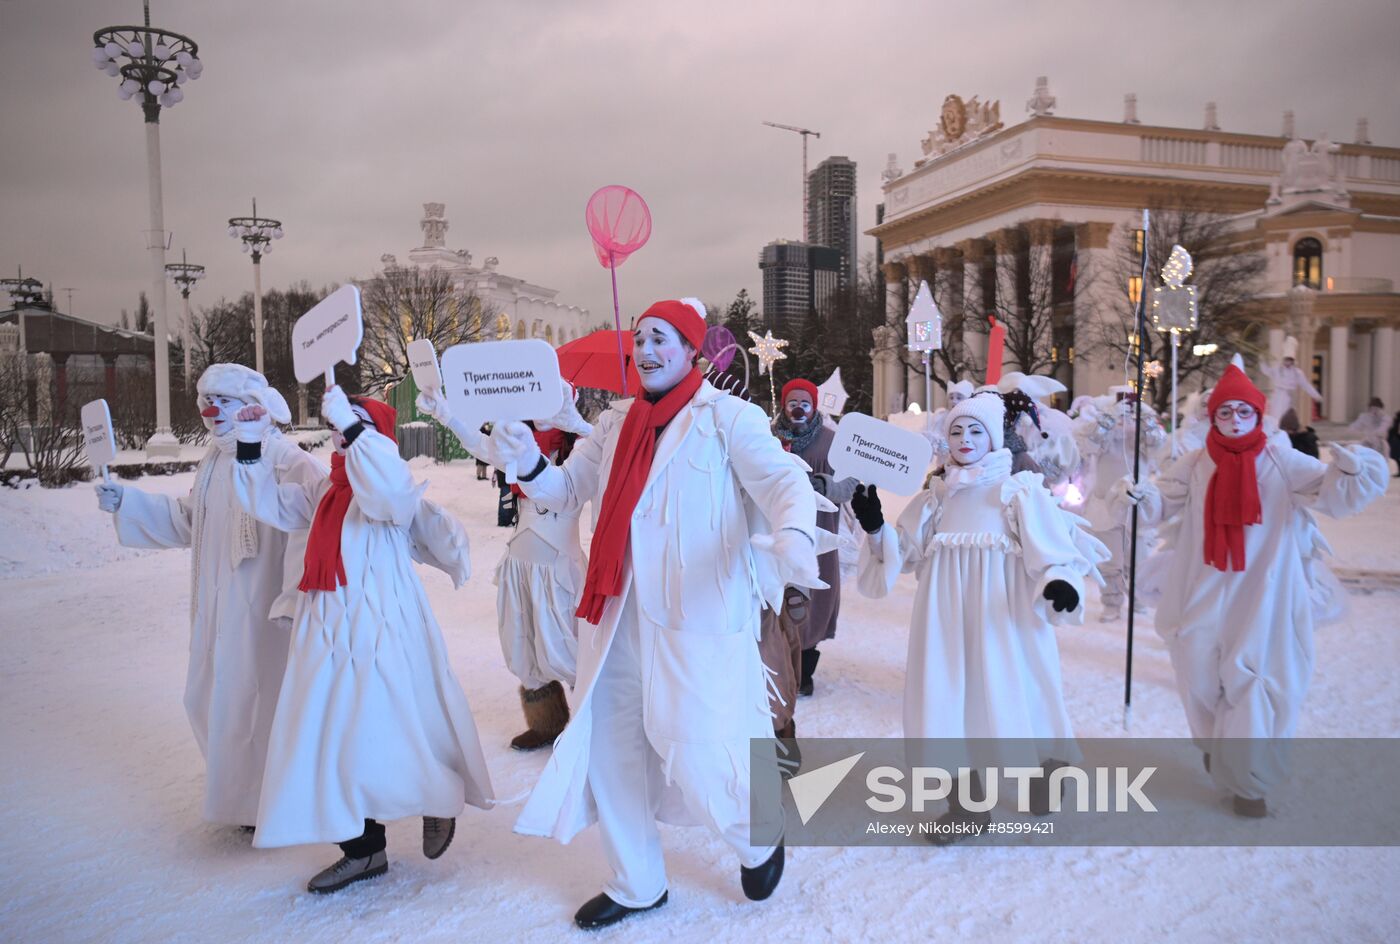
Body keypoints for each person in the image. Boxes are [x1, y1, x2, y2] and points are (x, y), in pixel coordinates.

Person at [482, 298, 819, 930]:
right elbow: (563, 492)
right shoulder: (612, 425)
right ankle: (637, 883)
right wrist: (526, 459)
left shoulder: (726, 419)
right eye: (640, 339)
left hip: (694, 619)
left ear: (692, 349)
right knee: (613, 752)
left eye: (662, 338)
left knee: (701, 753)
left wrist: (795, 533)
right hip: (615, 616)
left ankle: (757, 835)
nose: (647, 350)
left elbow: (782, 483)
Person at [230, 388, 493, 893]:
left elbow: (388, 491)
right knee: (332, 735)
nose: (340, 433)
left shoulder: (389, 489)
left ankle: (438, 796)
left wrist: (356, 432)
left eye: (352, 424)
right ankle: (362, 848)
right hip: (327, 632)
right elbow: (269, 504)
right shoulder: (327, 490)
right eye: (338, 424)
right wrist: (248, 443)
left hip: (383, 631)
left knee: (395, 725)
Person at [1129, 362, 1388, 817]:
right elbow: (1161, 500)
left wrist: (1350, 471)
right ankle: (1216, 744)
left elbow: (1331, 493)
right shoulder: (1195, 462)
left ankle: (1251, 781)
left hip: (1264, 593)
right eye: (1224, 412)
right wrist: (1140, 498)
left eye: (1241, 412)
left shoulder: (1281, 459)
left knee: (1257, 679)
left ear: (1257, 414)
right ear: (1213, 417)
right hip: (1203, 586)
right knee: (1198, 671)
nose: (1232, 420)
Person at [852, 392, 1107, 840]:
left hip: (1005, 619)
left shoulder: (1017, 489)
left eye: (975, 431)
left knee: (1018, 689)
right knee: (950, 700)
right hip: (944, 621)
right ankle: (967, 804)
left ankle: (1044, 769)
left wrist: (1059, 581)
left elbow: (1050, 547)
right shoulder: (936, 495)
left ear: (992, 437)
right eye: (956, 430)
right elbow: (904, 552)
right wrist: (875, 527)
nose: (965, 439)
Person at [93, 364, 324, 831]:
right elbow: (189, 521)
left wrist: (294, 598)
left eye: (223, 401)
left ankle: (273, 803)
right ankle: (243, 801)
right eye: (205, 401)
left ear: (251, 408)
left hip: (264, 614)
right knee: (212, 697)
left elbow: (319, 522)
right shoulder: (214, 462)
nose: (210, 410)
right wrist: (128, 503)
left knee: (262, 700)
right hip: (217, 608)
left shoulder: (286, 460)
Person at [418, 385, 594, 752]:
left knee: (566, 648)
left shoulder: (582, 451)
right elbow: (482, 447)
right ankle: (546, 721)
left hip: (558, 568)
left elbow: (612, 460)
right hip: (520, 564)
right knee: (521, 644)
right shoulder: (518, 441)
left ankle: (593, 727)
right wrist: (446, 414)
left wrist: (581, 427)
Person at [771, 377, 858, 701]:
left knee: (814, 600)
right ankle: (779, 664)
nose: (798, 408)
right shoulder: (770, 438)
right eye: (792, 402)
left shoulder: (833, 441)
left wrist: (825, 486)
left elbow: (849, 484)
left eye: (804, 402)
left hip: (820, 534)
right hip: (779, 532)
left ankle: (805, 670)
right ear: (784, 404)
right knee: (778, 597)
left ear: (814, 406)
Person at [1072, 387, 1168, 621]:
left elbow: (1159, 446)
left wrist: (1144, 416)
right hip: (1105, 503)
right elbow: (1088, 445)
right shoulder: (1102, 430)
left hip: (1138, 503)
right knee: (1110, 560)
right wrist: (1110, 416)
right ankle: (1111, 602)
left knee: (1140, 558)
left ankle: (1139, 599)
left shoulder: (1144, 432)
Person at [1259, 338, 1322, 422]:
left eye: (1290, 360)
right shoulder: (1277, 369)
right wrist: (1262, 361)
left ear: (1293, 361)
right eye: (1286, 360)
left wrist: (1316, 395)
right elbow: (1266, 371)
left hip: (1289, 397)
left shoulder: (1297, 373)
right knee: (1275, 416)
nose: (1288, 362)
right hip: (1277, 396)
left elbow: (1306, 385)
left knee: (1287, 417)